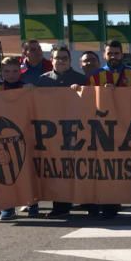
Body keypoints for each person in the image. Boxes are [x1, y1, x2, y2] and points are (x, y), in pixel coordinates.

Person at [87, 41, 131, 217]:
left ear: (122, 54)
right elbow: (89, 102)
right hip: (107, 129)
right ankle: (110, 206)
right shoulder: (96, 76)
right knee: (110, 168)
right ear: (105, 55)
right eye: (110, 53)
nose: (113, 56)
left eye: (116, 53)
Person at [35, 47, 85, 218]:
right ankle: (60, 206)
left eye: (65, 58)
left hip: (77, 132)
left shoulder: (81, 79)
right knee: (58, 170)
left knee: (80, 168)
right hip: (52, 133)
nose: (61, 60)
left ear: (70, 60)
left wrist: (82, 93)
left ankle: (88, 203)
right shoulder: (43, 80)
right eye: (58, 58)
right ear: (52, 59)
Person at [0, 57, 38, 221]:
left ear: (20, 71)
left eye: (14, 71)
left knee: (26, 170)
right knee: (4, 171)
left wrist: (32, 92)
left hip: (23, 133)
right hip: (1, 136)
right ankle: (7, 207)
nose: (11, 75)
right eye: (7, 71)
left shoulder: (26, 86)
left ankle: (32, 204)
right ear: (1, 72)